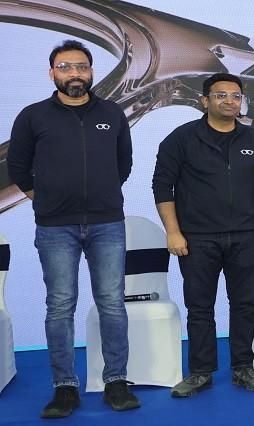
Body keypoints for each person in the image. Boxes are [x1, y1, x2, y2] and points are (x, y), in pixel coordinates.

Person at [7, 40, 139, 418]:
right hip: (55, 227)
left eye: (81, 66)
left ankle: (116, 381)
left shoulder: (112, 112)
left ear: (91, 72)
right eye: (65, 67)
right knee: (60, 305)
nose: (74, 74)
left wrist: (102, 194)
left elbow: (123, 163)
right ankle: (64, 387)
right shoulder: (33, 116)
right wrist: (47, 197)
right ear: (52, 73)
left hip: (107, 223)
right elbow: (18, 167)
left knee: (112, 303)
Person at [152, 73, 254, 396]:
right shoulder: (180, 139)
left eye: (236, 96)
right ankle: (200, 372)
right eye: (221, 95)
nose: (230, 101)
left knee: (245, 304)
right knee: (200, 307)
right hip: (196, 238)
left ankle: (243, 367)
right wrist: (173, 232)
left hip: (246, 236)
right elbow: (162, 187)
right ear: (204, 100)